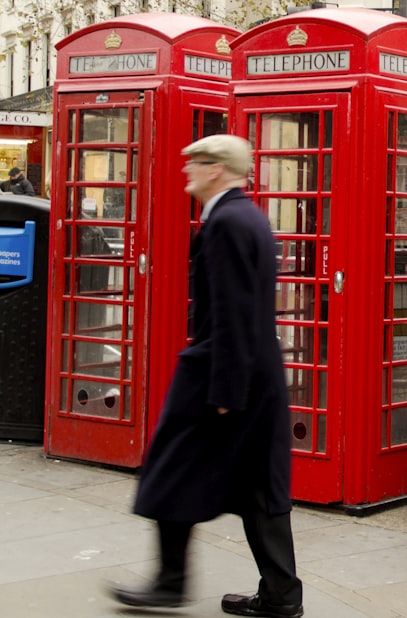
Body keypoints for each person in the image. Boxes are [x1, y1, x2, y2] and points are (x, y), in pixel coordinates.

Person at [108, 135, 303, 618]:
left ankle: (168, 585)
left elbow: (235, 313)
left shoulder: (227, 223)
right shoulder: (248, 216)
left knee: (170, 473)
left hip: (222, 374)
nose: (186, 171)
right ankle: (281, 597)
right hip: (255, 375)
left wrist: (223, 392)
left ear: (216, 169)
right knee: (260, 488)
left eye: (193, 163)